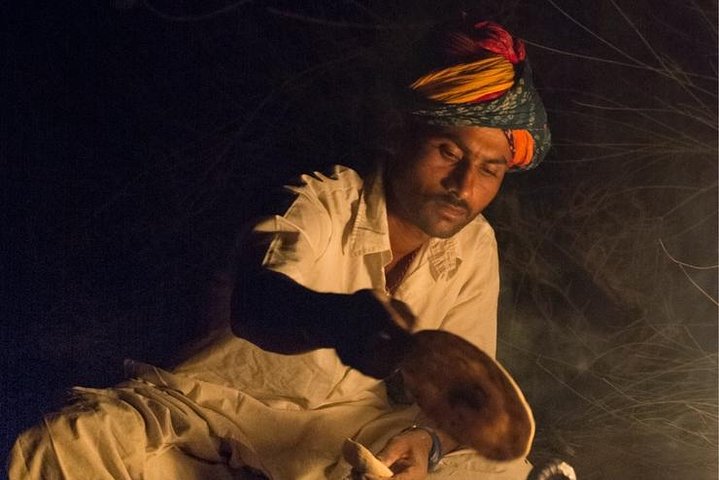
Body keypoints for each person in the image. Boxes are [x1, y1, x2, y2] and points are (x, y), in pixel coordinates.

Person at [7, 19, 550, 480]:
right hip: (208, 414)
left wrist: (426, 444)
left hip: (340, 434)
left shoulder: (474, 245)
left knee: (496, 467)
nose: (463, 186)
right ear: (396, 133)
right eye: (448, 151)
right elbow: (258, 305)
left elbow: (467, 404)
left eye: (489, 169)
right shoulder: (319, 199)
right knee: (63, 446)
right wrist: (338, 320)